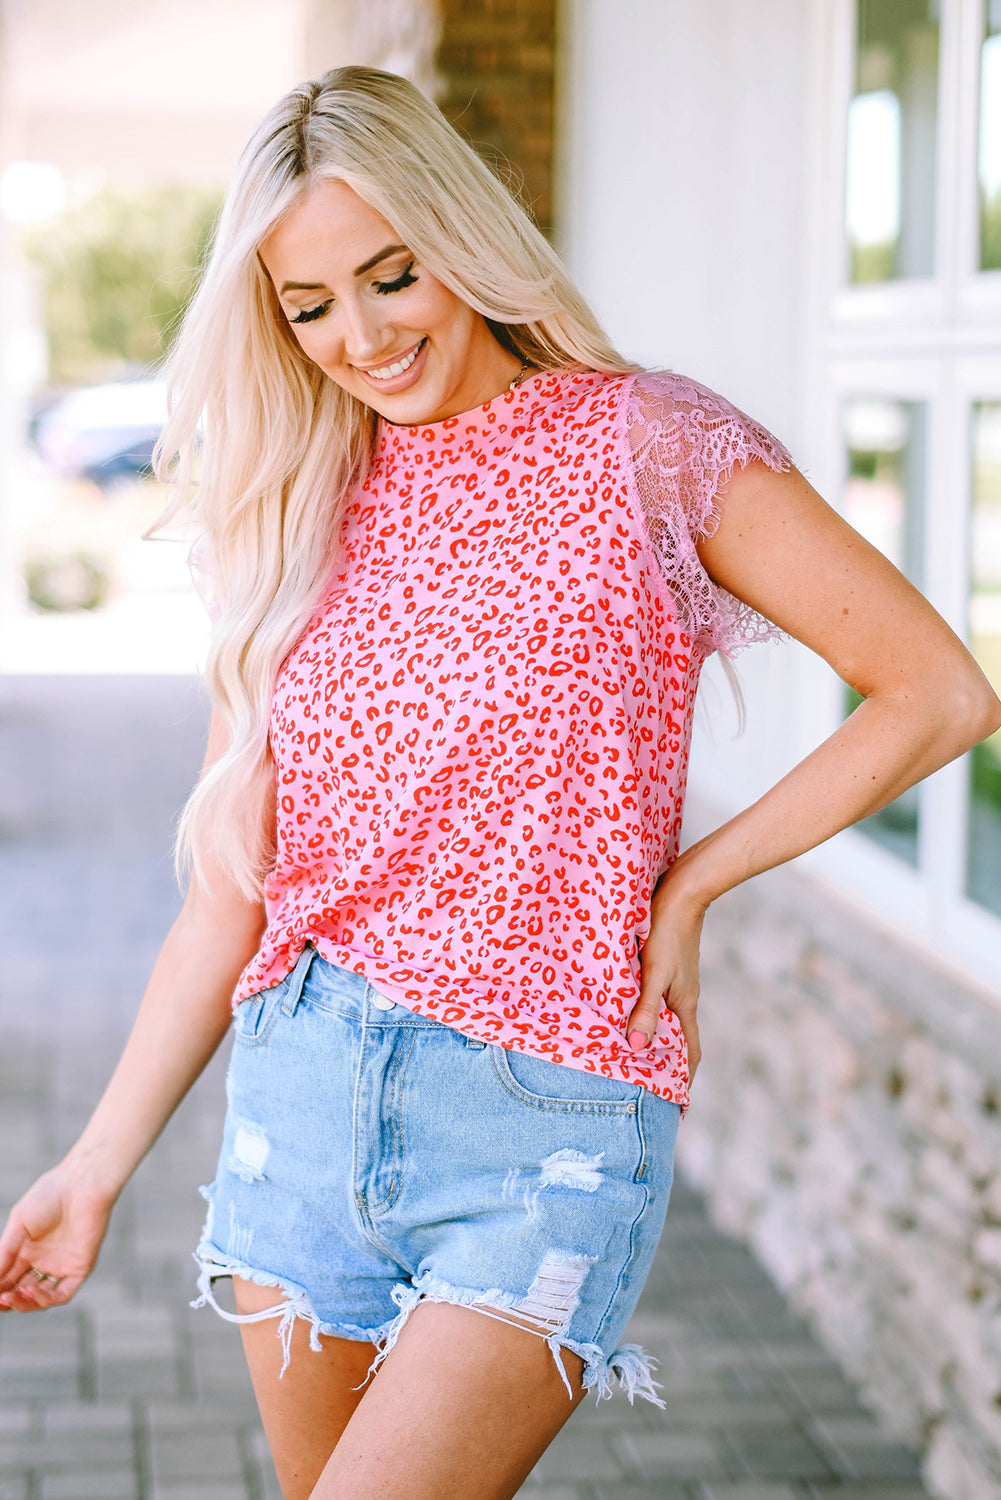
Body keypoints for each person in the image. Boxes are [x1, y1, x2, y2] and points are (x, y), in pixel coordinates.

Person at [1, 65, 998, 1500]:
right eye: (309, 305)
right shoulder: (296, 500)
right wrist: (94, 1168)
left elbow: (937, 692)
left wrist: (694, 881)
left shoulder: (645, 443)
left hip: (546, 1123)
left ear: (459, 239)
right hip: (304, 1092)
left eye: (391, 275)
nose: (361, 334)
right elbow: (233, 900)